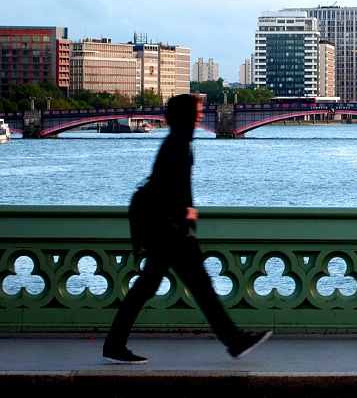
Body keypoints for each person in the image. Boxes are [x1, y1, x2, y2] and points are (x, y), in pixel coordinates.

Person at [103, 94, 270, 364]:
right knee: (198, 285)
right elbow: (172, 186)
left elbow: (170, 184)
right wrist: (187, 213)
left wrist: (186, 211)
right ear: (187, 115)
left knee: (151, 286)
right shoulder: (179, 142)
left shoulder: (178, 140)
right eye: (198, 111)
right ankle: (234, 341)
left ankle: (114, 343)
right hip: (169, 229)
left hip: (163, 226)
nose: (202, 116)